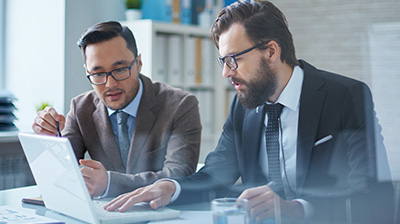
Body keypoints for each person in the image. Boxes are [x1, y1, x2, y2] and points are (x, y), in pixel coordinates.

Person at [103, 1, 396, 223]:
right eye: (223, 62)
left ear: (271, 51)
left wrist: (297, 209)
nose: (226, 74)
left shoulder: (345, 96)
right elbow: (216, 174)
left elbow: (373, 194)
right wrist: (169, 187)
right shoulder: (244, 106)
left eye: (233, 60)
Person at [31, 21, 201, 198]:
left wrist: (110, 183)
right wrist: (49, 140)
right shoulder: (80, 108)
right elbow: (60, 175)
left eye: (120, 69)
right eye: (98, 74)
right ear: (87, 71)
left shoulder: (181, 105)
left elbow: (179, 175)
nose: (110, 84)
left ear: (139, 63)